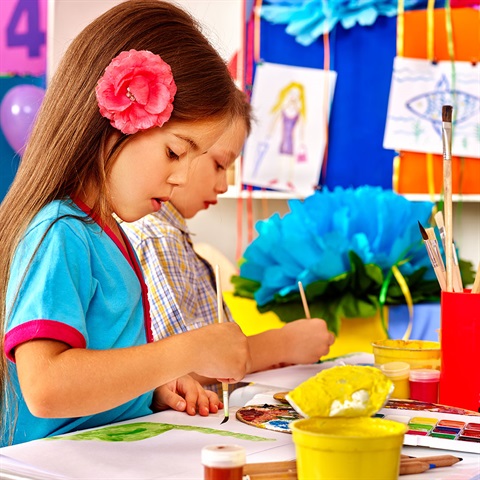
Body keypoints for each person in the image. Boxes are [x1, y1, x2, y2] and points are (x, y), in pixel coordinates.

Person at [0, 0, 251, 446]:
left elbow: (93, 362)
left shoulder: (108, 233)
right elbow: (46, 388)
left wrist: (150, 389)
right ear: (115, 122)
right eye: (175, 151)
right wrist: (186, 351)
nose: (180, 176)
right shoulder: (60, 232)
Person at [123, 92, 335, 394]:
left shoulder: (172, 237)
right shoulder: (157, 236)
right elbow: (180, 372)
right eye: (220, 165)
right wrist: (282, 345)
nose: (222, 185)